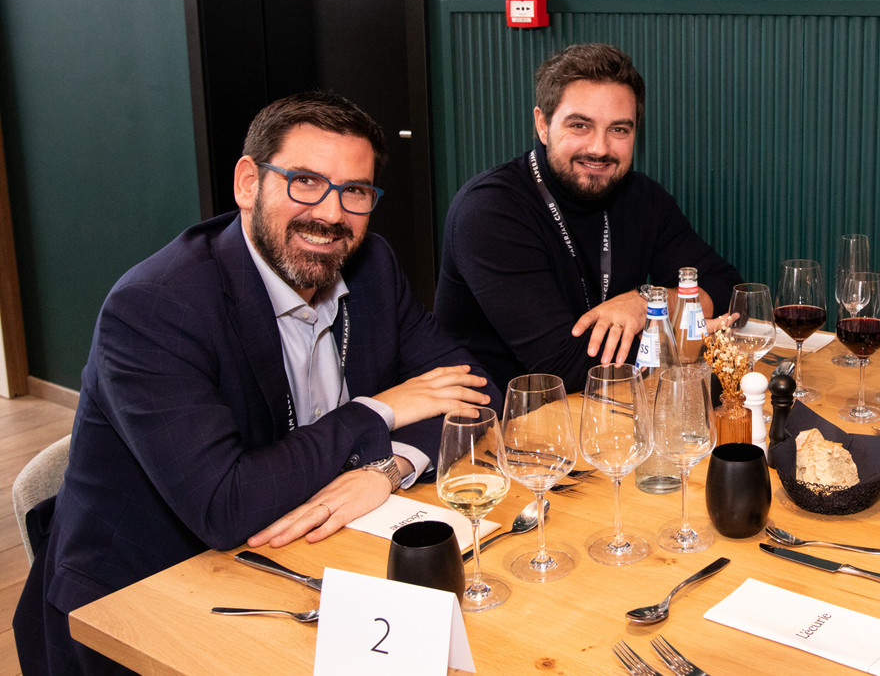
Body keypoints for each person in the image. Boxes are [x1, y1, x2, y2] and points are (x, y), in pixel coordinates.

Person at [15, 91, 500, 675]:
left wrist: (386, 470)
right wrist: (379, 412)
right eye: (304, 181)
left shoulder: (372, 266)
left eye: (355, 192)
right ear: (249, 183)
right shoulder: (155, 309)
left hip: (306, 563)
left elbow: (476, 392)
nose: (330, 213)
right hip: (146, 599)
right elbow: (225, 505)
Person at [435, 43, 740, 393]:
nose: (599, 148)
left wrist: (650, 302)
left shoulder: (643, 197)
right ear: (542, 124)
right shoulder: (489, 211)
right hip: (503, 421)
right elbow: (566, 368)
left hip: (611, 409)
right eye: (580, 125)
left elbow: (728, 290)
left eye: (619, 130)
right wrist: (685, 328)